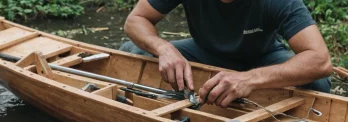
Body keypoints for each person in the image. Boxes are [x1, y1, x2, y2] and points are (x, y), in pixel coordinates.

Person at [120, 0, 332, 108]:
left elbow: (320, 59)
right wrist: (164, 48)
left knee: (318, 83)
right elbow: (136, 20)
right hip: (204, 51)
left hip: (262, 59)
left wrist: (250, 79)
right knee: (133, 51)